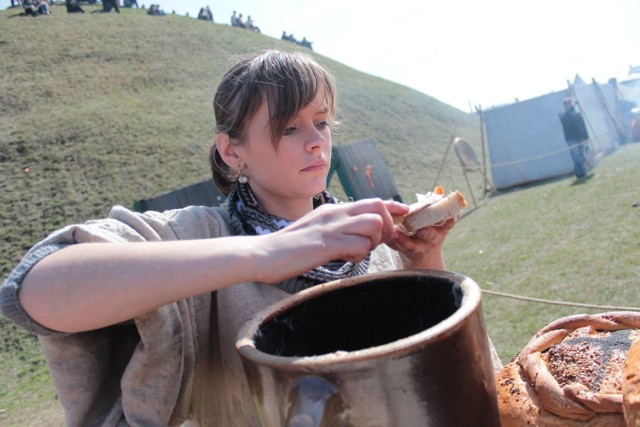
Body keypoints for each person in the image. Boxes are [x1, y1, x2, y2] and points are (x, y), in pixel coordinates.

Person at [0, 50, 472, 425]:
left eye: (322, 122)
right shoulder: (196, 234)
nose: (317, 142)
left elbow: (440, 378)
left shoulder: (365, 234)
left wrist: (424, 263)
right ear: (232, 151)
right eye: (289, 126)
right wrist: (265, 252)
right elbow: (32, 290)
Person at [559, 96, 590, 178]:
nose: (567, 105)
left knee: (581, 156)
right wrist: (572, 106)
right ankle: (581, 173)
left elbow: (582, 126)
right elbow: (568, 117)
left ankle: (580, 172)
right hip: (571, 139)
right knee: (576, 157)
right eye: (566, 104)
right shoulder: (563, 115)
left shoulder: (577, 114)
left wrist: (586, 137)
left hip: (580, 138)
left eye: (569, 103)